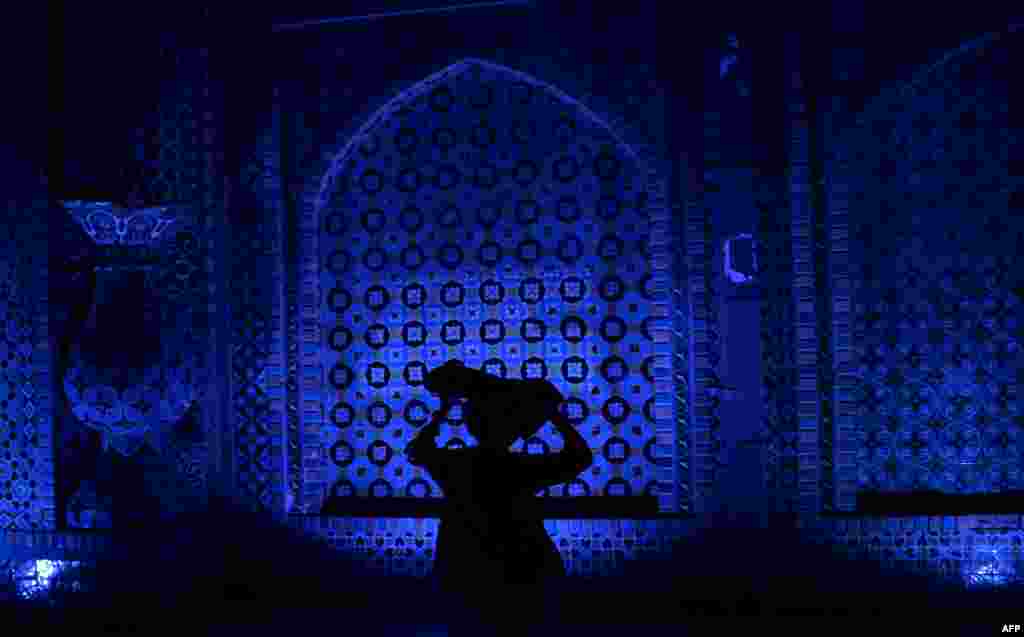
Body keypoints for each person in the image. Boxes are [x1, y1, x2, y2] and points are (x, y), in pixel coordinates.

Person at [405, 360, 594, 633]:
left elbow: (417, 450)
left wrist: (445, 407)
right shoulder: (523, 468)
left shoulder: (454, 465)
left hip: (464, 571)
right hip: (524, 568)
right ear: (513, 430)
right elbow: (581, 456)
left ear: (470, 425)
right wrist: (552, 414)